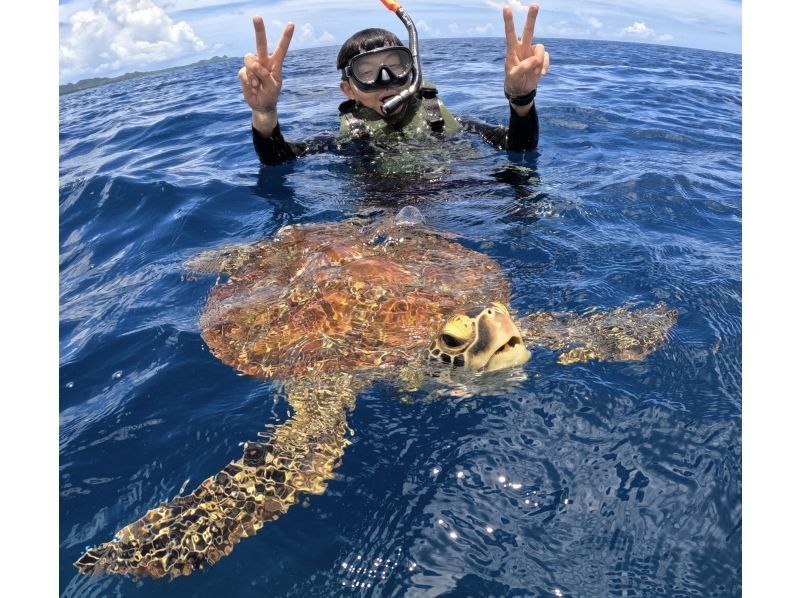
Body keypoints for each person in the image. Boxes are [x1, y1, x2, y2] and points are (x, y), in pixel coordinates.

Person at [239, 3, 550, 166]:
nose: (385, 81)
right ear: (349, 89)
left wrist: (521, 98)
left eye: (395, 66)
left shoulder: (443, 120)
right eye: (367, 72)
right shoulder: (345, 142)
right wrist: (265, 113)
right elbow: (279, 159)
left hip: (454, 198)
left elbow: (519, 147)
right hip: (379, 214)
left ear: (412, 71)